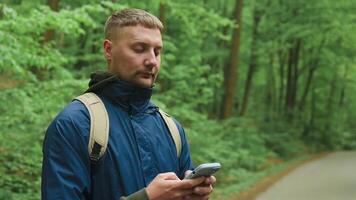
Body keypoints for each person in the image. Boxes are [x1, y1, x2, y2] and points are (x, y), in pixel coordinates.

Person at [41, 8, 216, 200]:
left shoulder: (172, 130)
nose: (152, 61)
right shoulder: (74, 125)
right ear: (108, 50)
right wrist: (146, 198)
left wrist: (193, 195)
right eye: (139, 49)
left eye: (157, 51)